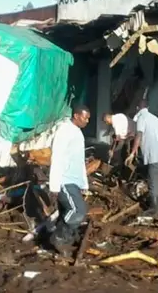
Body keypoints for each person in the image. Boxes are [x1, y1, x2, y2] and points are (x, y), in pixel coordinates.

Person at [48, 105, 90, 257]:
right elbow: (57, 156)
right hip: (64, 180)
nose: (87, 121)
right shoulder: (64, 130)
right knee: (77, 211)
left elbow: (79, 161)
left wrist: (84, 183)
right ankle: (58, 237)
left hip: (74, 180)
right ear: (77, 115)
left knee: (67, 212)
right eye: (85, 117)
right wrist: (54, 185)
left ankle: (63, 241)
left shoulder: (77, 132)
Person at [126, 100, 158, 219]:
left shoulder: (141, 118)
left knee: (153, 182)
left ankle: (154, 209)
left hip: (153, 154)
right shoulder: (155, 118)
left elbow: (139, 135)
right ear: (148, 107)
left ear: (138, 107)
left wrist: (132, 152)